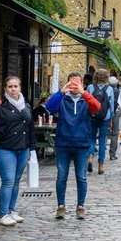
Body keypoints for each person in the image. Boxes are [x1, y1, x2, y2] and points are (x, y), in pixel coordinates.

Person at [46, 72, 100, 220]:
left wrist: (85, 93)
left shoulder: (86, 100)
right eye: (71, 83)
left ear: (82, 83)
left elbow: (97, 108)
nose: (74, 87)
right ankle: (61, 206)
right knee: (61, 177)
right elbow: (50, 108)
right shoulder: (62, 99)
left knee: (81, 177)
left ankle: (80, 206)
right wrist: (61, 92)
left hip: (81, 144)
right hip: (63, 143)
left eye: (77, 83)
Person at [0, 76, 36, 226]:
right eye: (10, 86)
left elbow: (30, 128)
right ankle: (3, 214)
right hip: (5, 149)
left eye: (16, 86)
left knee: (16, 181)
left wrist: (31, 148)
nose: (13, 89)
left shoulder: (26, 105)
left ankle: (11, 211)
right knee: (8, 181)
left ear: (20, 87)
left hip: (23, 148)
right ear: (5, 89)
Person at [87, 69, 115, 175]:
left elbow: (87, 103)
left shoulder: (90, 87)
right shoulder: (109, 89)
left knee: (91, 138)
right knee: (102, 140)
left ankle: (90, 157)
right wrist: (111, 119)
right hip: (105, 117)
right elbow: (111, 106)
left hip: (92, 116)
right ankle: (100, 165)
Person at [108, 76, 121, 160]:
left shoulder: (106, 90)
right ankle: (112, 154)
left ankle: (101, 152)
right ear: (116, 83)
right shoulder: (118, 92)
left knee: (104, 134)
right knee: (115, 134)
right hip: (115, 113)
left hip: (106, 113)